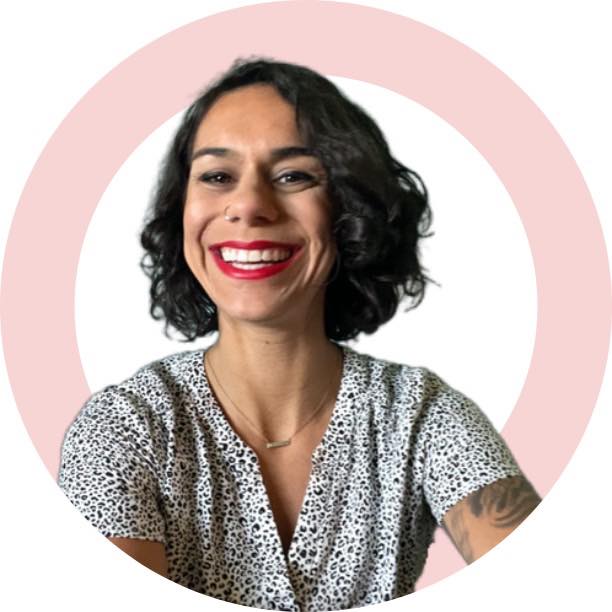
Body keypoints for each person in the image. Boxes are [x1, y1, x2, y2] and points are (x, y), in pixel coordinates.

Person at [58, 56, 540, 611]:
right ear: (181, 211)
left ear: (348, 210)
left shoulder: (422, 416)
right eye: (217, 177)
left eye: (293, 176)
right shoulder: (123, 429)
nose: (249, 206)